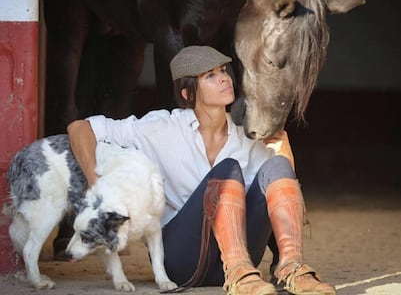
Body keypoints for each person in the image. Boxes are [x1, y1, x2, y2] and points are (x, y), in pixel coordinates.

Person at [66, 45, 336, 295]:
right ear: (188, 93)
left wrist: (284, 151)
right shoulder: (161, 127)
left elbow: (279, 198)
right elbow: (80, 128)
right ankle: (239, 273)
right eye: (210, 75)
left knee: (276, 163)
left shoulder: (247, 134)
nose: (224, 78)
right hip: (182, 260)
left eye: (223, 72)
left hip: (241, 264)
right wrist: (94, 179)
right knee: (228, 168)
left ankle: (289, 267)